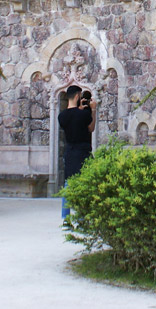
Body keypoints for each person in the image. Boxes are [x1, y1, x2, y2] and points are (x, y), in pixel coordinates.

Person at [58, 85, 95, 219]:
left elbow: (72, 120)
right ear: (77, 96)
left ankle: (65, 218)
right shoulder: (84, 114)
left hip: (69, 151)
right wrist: (94, 109)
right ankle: (81, 217)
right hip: (83, 151)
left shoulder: (61, 116)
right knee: (85, 183)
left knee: (68, 184)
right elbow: (91, 128)